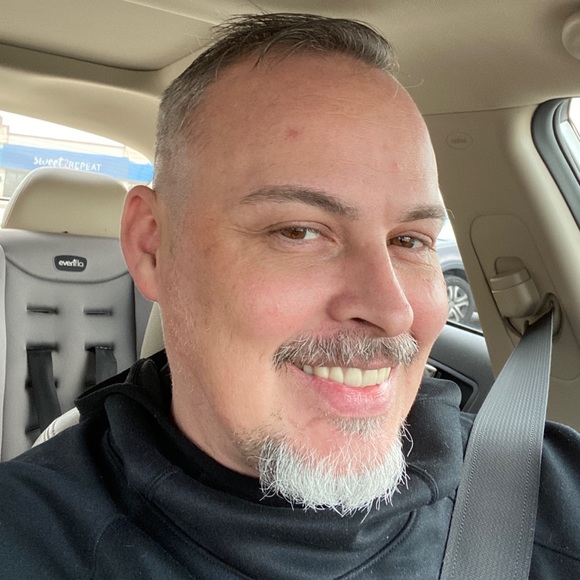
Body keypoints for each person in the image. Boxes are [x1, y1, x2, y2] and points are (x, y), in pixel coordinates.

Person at [0, 13, 578, 579]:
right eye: (298, 231)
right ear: (153, 247)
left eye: (410, 240)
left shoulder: (551, 493)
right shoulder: (26, 539)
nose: (392, 310)